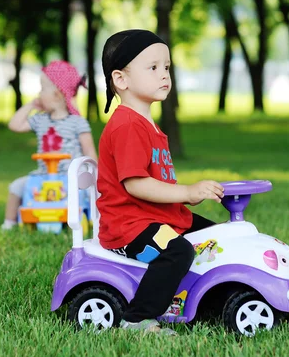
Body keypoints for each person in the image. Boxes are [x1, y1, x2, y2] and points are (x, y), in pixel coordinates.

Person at [96, 29, 224, 334]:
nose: (164, 74)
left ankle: (203, 295)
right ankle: (138, 318)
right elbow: (136, 185)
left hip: (155, 215)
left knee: (217, 237)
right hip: (130, 226)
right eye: (152, 68)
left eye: (166, 67)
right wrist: (187, 192)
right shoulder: (127, 125)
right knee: (178, 251)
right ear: (121, 79)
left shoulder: (146, 123)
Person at [1, 60, 97, 230]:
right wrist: (31, 105)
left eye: (42, 89)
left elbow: (89, 151)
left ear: (57, 94)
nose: (39, 93)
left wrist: (94, 176)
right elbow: (14, 125)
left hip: (71, 178)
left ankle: (97, 220)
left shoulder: (77, 122)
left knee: (94, 192)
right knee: (16, 186)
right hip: (43, 176)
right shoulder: (40, 120)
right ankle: (9, 223)